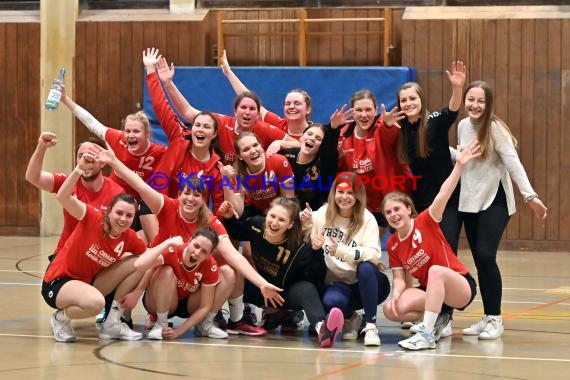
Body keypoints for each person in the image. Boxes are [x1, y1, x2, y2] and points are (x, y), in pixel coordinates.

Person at [90, 143, 284, 337]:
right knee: (162, 268)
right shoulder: (167, 207)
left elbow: (233, 254)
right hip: (162, 293)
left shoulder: (210, 222)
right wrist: (114, 161)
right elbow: (138, 184)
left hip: (193, 294)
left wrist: (261, 284)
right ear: (179, 194)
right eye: (187, 193)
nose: (191, 199)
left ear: (203, 200)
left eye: (197, 195)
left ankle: (206, 323)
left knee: (229, 272)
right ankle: (159, 323)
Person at [41, 151, 183, 342]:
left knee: (138, 261)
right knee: (96, 303)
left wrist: (166, 244)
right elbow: (63, 196)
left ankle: (112, 323)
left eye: (129, 216)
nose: (123, 219)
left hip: (88, 282)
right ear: (109, 212)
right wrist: (78, 169)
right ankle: (60, 318)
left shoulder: (129, 237)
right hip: (59, 282)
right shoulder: (92, 218)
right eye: (119, 213)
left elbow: (148, 261)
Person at [458, 81, 547, 340]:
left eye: (480, 101)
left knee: (486, 256)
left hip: (495, 200)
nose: (475, 105)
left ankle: (496, 319)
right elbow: (465, 159)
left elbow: (513, 164)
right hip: (470, 200)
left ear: (489, 104)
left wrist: (530, 196)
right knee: (479, 260)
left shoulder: (495, 129)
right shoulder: (463, 126)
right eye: (470, 99)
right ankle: (487, 316)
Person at [382, 139, 481, 350]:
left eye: (397, 209)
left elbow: (443, 193)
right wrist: (396, 292)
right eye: (388, 212)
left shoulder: (426, 221)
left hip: (459, 286)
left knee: (436, 270)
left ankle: (426, 335)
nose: (393, 215)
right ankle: (438, 318)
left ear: (409, 209)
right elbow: (400, 279)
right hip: (431, 291)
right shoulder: (392, 243)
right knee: (391, 309)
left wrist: (460, 166)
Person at [395, 60, 467, 335]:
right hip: (420, 206)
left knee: (444, 257)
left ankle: (445, 317)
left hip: (446, 203)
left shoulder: (433, 123)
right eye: (403, 100)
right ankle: (430, 312)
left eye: (412, 98)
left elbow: (452, 110)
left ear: (421, 100)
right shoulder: (400, 131)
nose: (408, 103)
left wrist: (457, 88)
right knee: (425, 259)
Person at [220, 197, 344, 348]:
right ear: (267, 214)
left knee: (305, 288)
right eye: (272, 216)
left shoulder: (299, 246)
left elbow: (315, 278)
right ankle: (232, 319)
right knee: (232, 271)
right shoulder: (256, 225)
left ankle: (322, 329)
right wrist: (229, 218)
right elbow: (236, 230)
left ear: (291, 224)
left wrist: (316, 252)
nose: (274, 223)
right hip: (260, 289)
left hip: (283, 295)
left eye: (281, 220)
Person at [60, 83, 166, 244]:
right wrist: (65, 99)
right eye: (128, 131)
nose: (130, 135)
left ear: (147, 134)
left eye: (136, 131)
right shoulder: (118, 139)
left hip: (140, 210)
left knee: (146, 228)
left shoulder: (160, 152)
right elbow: (91, 123)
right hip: (114, 204)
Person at [155, 56, 300, 165]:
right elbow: (188, 111)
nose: (247, 112)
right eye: (243, 108)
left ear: (258, 115)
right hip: (227, 186)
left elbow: (298, 144)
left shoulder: (266, 129)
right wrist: (168, 84)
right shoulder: (221, 122)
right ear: (235, 112)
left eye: (252, 109)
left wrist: (281, 143)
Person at [143, 48, 228, 219]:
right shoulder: (179, 137)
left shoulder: (217, 169)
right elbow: (161, 107)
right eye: (197, 125)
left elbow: (218, 209)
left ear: (214, 134)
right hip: (158, 210)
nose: (200, 129)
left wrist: (223, 217)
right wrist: (151, 71)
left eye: (206, 127)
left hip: (192, 219)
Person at [310, 172, 391, 346]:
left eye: (350, 193)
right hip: (340, 285)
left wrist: (342, 250)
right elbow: (307, 238)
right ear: (334, 193)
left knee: (366, 267)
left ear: (358, 195)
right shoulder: (321, 214)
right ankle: (353, 319)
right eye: (340, 192)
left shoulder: (367, 218)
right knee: (331, 302)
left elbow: (374, 254)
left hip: (371, 284)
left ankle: (370, 326)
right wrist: (308, 231)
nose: (344, 197)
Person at [25, 132, 124, 260]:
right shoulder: (67, 183)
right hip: (66, 256)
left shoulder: (116, 193)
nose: (86, 160)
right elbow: (33, 177)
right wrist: (41, 147)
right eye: (81, 156)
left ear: (103, 163)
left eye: (91, 156)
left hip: (97, 259)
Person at [329, 90, 411, 232]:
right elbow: (337, 170)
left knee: (402, 245)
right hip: (361, 205)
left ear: (376, 109)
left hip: (390, 199)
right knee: (366, 250)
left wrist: (389, 126)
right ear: (352, 112)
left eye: (368, 109)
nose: (364, 114)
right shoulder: (344, 135)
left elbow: (388, 137)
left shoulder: (382, 126)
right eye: (359, 110)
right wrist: (332, 131)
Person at [139, 227, 222, 340]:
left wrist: (178, 332)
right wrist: (166, 243)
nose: (197, 253)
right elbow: (140, 264)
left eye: (204, 252)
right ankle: (161, 323)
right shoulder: (174, 250)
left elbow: (205, 306)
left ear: (210, 254)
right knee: (166, 271)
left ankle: (204, 325)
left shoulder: (210, 265)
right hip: (160, 301)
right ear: (189, 240)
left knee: (227, 275)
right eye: (196, 246)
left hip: (187, 305)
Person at [220, 49, 312, 139]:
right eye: (287, 103)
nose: (291, 107)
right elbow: (248, 98)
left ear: (308, 109)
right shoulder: (277, 124)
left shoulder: (314, 134)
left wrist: (283, 143)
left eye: (297, 103)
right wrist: (229, 73)